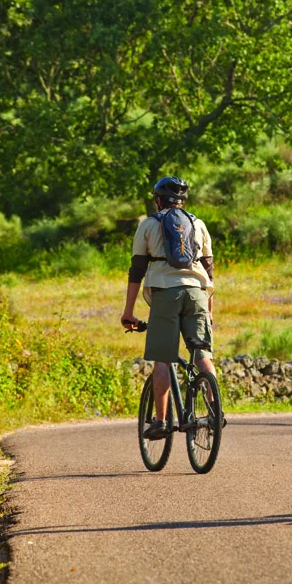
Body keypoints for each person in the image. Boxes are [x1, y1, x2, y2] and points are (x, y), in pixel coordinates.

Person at [121, 176, 216, 440]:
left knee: (163, 358)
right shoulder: (198, 224)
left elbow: (137, 270)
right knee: (202, 354)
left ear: (158, 200)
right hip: (198, 293)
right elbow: (209, 272)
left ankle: (161, 421)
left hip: (165, 294)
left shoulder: (149, 225)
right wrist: (209, 313)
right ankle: (214, 411)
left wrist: (128, 312)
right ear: (183, 201)